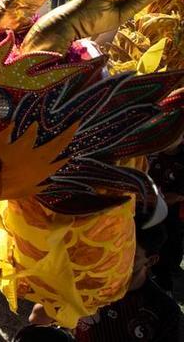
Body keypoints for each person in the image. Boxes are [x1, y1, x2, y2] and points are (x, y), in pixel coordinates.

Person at [72, 223, 181, 341]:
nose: (119, 259)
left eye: (131, 255)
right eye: (116, 250)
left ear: (150, 261)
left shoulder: (164, 311)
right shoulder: (86, 287)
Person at [148, 136, 184, 292]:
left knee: (168, 260)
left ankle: (167, 289)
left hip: (172, 219)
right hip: (145, 214)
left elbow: (176, 196)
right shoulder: (150, 153)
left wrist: (148, 199)